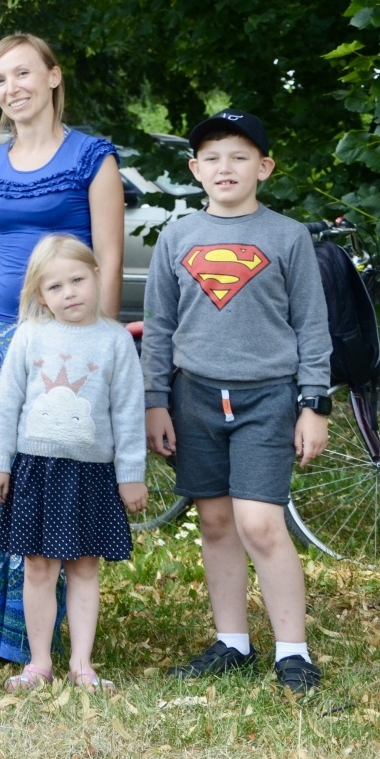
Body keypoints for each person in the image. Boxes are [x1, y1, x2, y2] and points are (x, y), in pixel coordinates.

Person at [0, 32, 125, 668]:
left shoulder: (93, 158)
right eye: (0, 80)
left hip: (66, 340)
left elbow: (110, 259)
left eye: (23, 74)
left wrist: (99, 351)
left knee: (49, 474)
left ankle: (31, 634)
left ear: (54, 77)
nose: (12, 88)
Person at [140, 110, 331, 693]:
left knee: (261, 524)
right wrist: (155, 400)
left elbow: (311, 325)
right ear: (195, 169)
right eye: (214, 157)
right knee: (217, 521)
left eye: (240, 156)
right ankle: (232, 643)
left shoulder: (287, 236)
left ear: (264, 168)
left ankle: (292, 652)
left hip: (267, 398)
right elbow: (159, 325)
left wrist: (313, 403)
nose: (226, 167)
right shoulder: (177, 237)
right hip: (193, 396)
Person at [0, 235, 147, 691]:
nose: (69, 292)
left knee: (85, 567)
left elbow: (128, 412)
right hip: (36, 470)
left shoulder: (115, 341)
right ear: (40, 296)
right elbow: (7, 404)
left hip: (91, 473)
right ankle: (39, 663)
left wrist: (131, 475)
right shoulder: (30, 336)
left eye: (77, 280)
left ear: (96, 276)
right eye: (55, 287)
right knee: (38, 567)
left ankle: (81, 664)